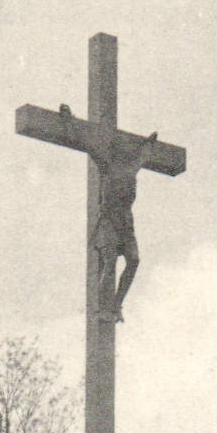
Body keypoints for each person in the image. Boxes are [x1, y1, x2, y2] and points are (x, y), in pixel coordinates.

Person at [80, 125, 161, 322]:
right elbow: (86, 143)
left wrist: (150, 143)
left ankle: (117, 304)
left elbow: (144, 154)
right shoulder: (107, 165)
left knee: (134, 260)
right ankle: (101, 307)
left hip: (125, 223)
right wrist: (69, 120)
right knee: (109, 263)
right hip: (109, 221)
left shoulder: (132, 168)